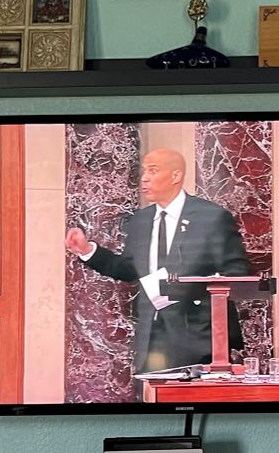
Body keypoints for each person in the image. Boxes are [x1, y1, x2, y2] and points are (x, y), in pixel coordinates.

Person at [64, 148, 250, 375]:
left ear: (175, 176)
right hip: (151, 339)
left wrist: (186, 288)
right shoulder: (140, 221)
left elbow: (237, 275)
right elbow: (131, 269)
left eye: (153, 171)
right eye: (144, 171)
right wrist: (88, 251)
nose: (144, 178)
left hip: (199, 339)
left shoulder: (211, 217)